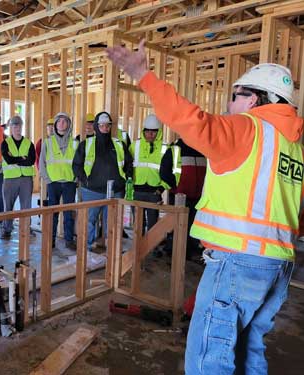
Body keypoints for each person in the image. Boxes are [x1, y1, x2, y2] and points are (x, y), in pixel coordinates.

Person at [108, 40, 302, 375]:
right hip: (279, 264)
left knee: (209, 358)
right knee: (249, 351)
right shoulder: (293, 146)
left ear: (253, 99)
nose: (230, 103)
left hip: (238, 261)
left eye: (235, 95)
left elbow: (192, 121)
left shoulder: (248, 128)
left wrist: (142, 74)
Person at [72, 111, 132, 250]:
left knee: (112, 222)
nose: (105, 128)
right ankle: (86, 248)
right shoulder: (86, 144)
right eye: (102, 125)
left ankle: (111, 249)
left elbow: (129, 163)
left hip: (115, 191)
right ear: (96, 126)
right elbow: (76, 165)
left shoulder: (119, 144)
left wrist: (124, 179)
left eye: (107, 126)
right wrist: (85, 180)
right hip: (92, 191)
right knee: (89, 220)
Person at [160, 138, 206, 258]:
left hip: (198, 197)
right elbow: (164, 172)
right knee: (177, 225)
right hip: (180, 197)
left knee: (193, 225)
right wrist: (175, 188)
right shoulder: (175, 149)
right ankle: (174, 251)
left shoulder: (202, 148)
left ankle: (189, 249)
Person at [39, 112, 78, 250]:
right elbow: (41, 163)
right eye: (59, 121)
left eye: (64, 121)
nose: (62, 123)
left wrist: (75, 179)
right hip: (53, 183)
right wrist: (48, 180)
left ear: (68, 124)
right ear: (55, 125)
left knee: (68, 213)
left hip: (69, 183)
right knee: (52, 214)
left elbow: (79, 163)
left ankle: (69, 240)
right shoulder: (48, 142)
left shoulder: (74, 143)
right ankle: (51, 240)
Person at [129, 114, 167, 232]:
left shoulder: (165, 148)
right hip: (137, 191)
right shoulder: (135, 145)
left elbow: (172, 172)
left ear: (159, 132)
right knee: (138, 224)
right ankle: (138, 249)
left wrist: (162, 188)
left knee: (153, 225)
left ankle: (152, 250)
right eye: (148, 131)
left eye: (154, 131)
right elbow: (127, 165)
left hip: (154, 193)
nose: (150, 134)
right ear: (143, 131)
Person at [0, 115, 36, 239]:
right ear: (11, 127)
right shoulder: (5, 143)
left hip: (26, 179)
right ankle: (6, 230)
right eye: (15, 126)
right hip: (10, 179)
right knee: (8, 206)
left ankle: (26, 227)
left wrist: (16, 159)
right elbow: (8, 159)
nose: (17, 128)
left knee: (26, 206)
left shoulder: (28, 143)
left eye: (19, 125)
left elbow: (31, 160)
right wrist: (22, 158)